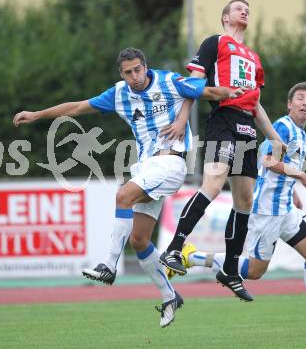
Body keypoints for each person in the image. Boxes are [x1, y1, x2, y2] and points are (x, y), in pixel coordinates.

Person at [13, 47, 244, 328]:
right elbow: (76, 107)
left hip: (171, 164)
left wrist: (227, 93)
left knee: (123, 195)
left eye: (138, 69)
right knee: (139, 240)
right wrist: (37, 115)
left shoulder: (168, 81)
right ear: (121, 73)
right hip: (147, 168)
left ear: (145, 66)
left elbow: (201, 90)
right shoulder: (119, 94)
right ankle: (171, 295)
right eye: (128, 72)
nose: (134, 76)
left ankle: (109, 266)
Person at [159, 0, 285, 302]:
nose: (245, 11)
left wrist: (274, 138)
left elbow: (255, 104)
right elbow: (193, 83)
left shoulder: (254, 58)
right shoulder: (216, 42)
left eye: (247, 9)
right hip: (223, 121)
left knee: (244, 200)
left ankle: (229, 269)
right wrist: (181, 118)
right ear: (225, 17)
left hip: (246, 127)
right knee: (213, 184)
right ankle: (174, 247)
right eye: (238, 8)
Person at [167, 82, 306, 293]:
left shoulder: (302, 136)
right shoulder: (284, 126)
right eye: (300, 98)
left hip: (286, 210)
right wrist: (302, 176)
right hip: (267, 212)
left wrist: (294, 190)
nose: (305, 103)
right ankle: (192, 256)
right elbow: (269, 161)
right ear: (289, 104)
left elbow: (283, 169)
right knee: (254, 271)